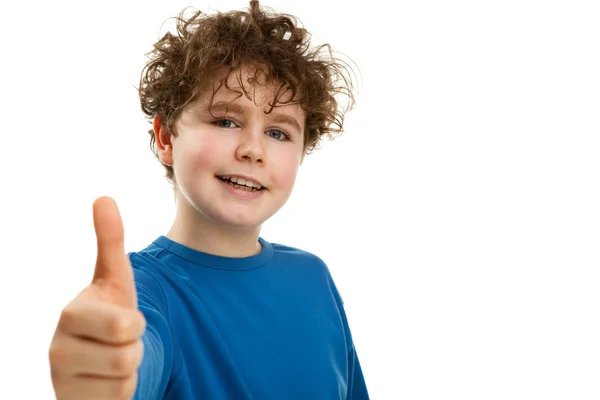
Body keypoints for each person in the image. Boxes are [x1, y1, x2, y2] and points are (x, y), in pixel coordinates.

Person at [48, 1, 368, 398]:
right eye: (226, 121)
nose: (253, 149)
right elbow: (133, 358)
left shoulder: (314, 277)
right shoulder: (145, 292)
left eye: (279, 133)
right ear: (166, 138)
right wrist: (103, 373)